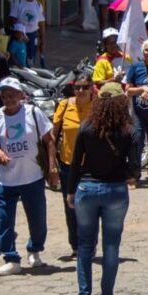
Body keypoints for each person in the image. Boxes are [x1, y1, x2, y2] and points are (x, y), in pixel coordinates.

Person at [65, 82, 139, 295]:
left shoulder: (86, 127)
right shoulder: (130, 129)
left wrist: (70, 191)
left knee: (85, 244)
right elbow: (136, 169)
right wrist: (125, 175)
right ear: (121, 102)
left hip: (86, 190)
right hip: (115, 191)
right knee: (111, 246)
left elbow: (76, 163)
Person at [0, 77, 58, 275]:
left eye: (12, 95)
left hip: (32, 176)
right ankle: (11, 258)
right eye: (4, 96)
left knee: (37, 219)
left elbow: (50, 141)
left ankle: (35, 250)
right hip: (6, 178)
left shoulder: (33, 113)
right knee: (4, 219)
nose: (8, 99)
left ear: (21, 95)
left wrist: (52, 168)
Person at [52, 73, 95, 258]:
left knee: (90, 207)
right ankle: (76, 246)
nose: (81, 91)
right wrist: (52, 164)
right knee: (70, 206)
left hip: (91, 165)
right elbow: (52, 137)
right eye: (77, 87)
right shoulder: (64, 105)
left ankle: (90, 245)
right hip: (68, 164)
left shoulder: (97, 106)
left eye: (85, 87)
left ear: (91, 88)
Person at [10, 0, 46, 66]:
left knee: (31, 58)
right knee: (19, 58)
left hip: (33, 35)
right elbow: (12, 19)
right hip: (19, 35)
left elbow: (41, 23)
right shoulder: (18, 2)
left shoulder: (38, 5)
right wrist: (20, 34)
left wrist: (42, 40)